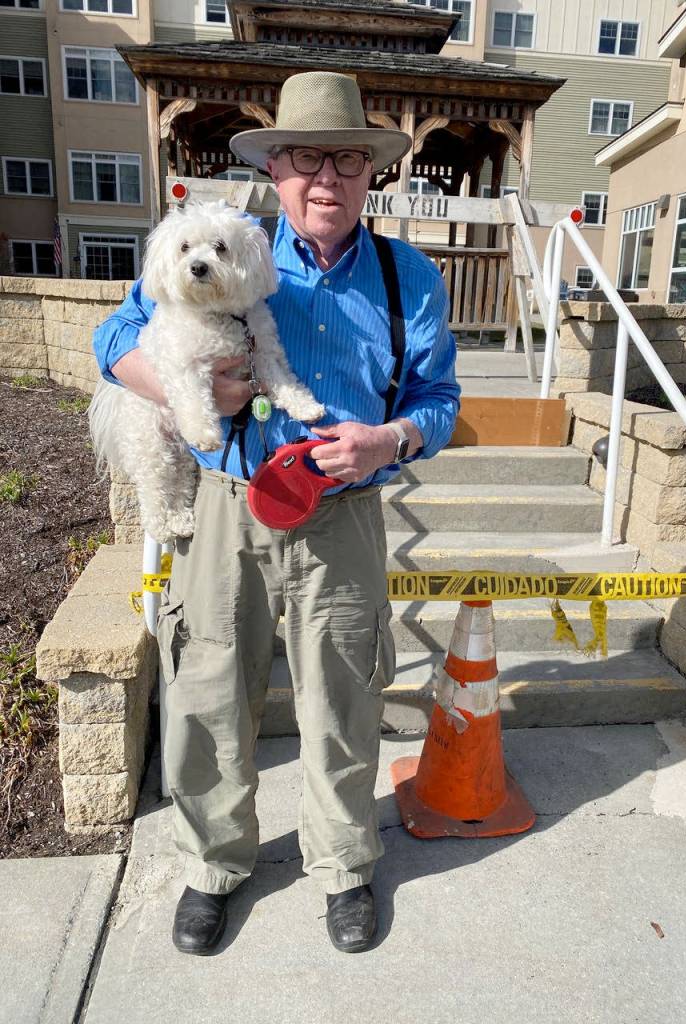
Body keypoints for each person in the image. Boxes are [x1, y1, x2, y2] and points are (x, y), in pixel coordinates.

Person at [92, 70, 460, 956]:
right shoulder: (223, 250)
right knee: (209, 689)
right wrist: (192, 391)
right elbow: (114, 343)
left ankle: (342, 866)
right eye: (305, 159)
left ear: (371, 173)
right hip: (224, 506)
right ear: (279, 170)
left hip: (344, 515)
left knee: (344, 696)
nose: (325, 178)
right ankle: (214, 864)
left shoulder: (408, 277)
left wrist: (392, 441)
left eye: (345, 159)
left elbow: (440, 398)